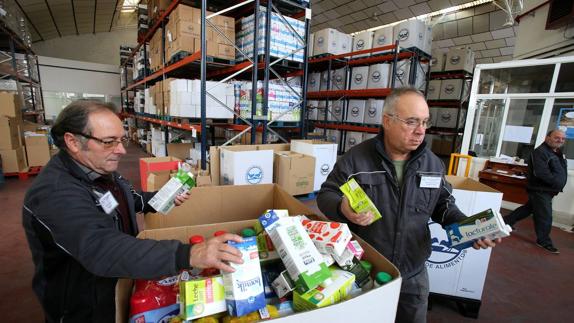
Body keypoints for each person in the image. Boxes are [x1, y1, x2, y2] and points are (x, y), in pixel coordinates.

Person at [22, 100, 244, 322]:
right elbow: (101, 248)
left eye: (121, 140)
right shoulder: (55, 193)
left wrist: (158, 200)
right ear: (73, 142)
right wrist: (188, 254)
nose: (121, 150)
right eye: (109, 142)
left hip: (115, 283)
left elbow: (127, 200)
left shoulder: (98, 170)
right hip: (84, 306)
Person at [316, 87, 499, 323]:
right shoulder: (356, 159)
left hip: (413, 272)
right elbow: (326, 194)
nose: (420, 131)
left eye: (425, 122)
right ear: (387, 120)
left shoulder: (432, 164)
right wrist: (342, 207)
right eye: (411, 122)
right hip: (366, 269)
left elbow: (443, 204)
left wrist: (469, 228)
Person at [503, 129, 567, 254]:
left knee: (528, 208)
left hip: (549, 190)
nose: (560, 140)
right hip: (540, 189)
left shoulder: (557, 153)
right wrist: (556, 183)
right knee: (545, 215)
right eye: (557, 137)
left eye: (563, 139)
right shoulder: (540, 152)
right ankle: (544, 241)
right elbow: (541, 173)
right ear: (547, 137)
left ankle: (506, 221)